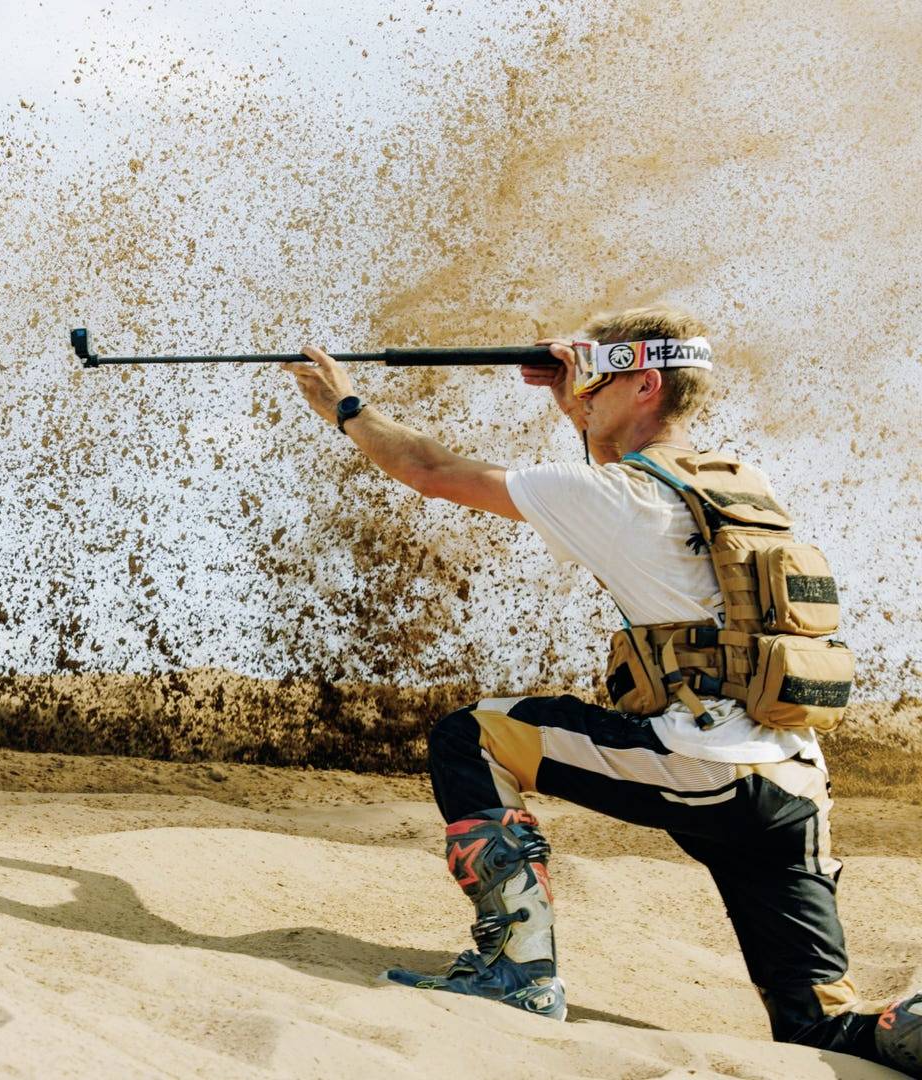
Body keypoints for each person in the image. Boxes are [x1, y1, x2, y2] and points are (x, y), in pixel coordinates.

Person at [283, 307, 920, 1073]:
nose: (584, 391)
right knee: (821, 1030)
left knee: (471, 734)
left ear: (645, 383)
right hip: (789, 790)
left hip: (701, 766)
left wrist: (345, 407)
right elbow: (612, 495)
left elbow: (430, 473)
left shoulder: (618, 496)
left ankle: (517, 972)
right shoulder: (737, 483)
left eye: (599, 379)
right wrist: (577, 405)